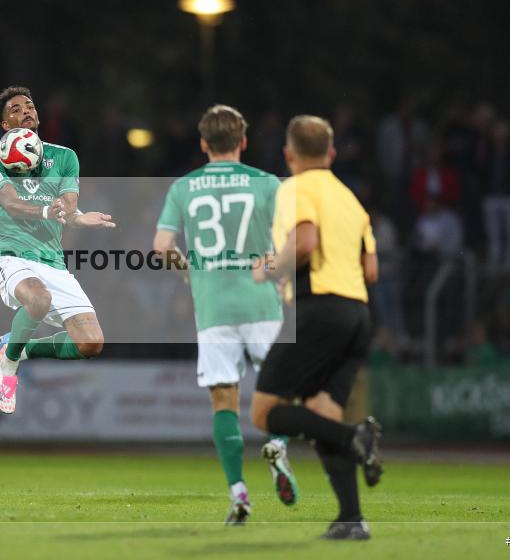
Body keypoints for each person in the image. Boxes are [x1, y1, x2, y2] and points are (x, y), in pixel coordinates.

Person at [152, 105, 297, 526]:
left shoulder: (184, 187)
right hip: (260, 300)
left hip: (213, 304)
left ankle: (239, 495)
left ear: (203, 144)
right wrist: (276, 270)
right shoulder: (268, 184)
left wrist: (188, 270)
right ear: (243, 142)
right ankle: (279, 448)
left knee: (223, 401)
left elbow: (161, 247)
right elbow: (291, 242)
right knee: (280, 391)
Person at [251, 115, 383, 540]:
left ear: (288, 154)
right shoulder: (351, 199)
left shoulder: (295, 188)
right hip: (358, 314)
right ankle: (351, 519)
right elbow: (372, 269)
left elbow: (304, 243)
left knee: (265, 413)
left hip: (319, 309)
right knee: (320, 414)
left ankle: (355, 437)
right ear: (331, 152)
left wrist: (268, 266)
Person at [0, 86, 115, 414]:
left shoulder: (65, 157)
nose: (25, 110)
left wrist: (79, 218)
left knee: (91, 343)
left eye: (29, 105)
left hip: (51, 259)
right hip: (8, 253)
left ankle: (18, 348)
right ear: (5, 124)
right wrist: (43, 211)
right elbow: (9, 203)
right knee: (38, 300)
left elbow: (67, 207)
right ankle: (9, 367)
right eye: (15, 109)